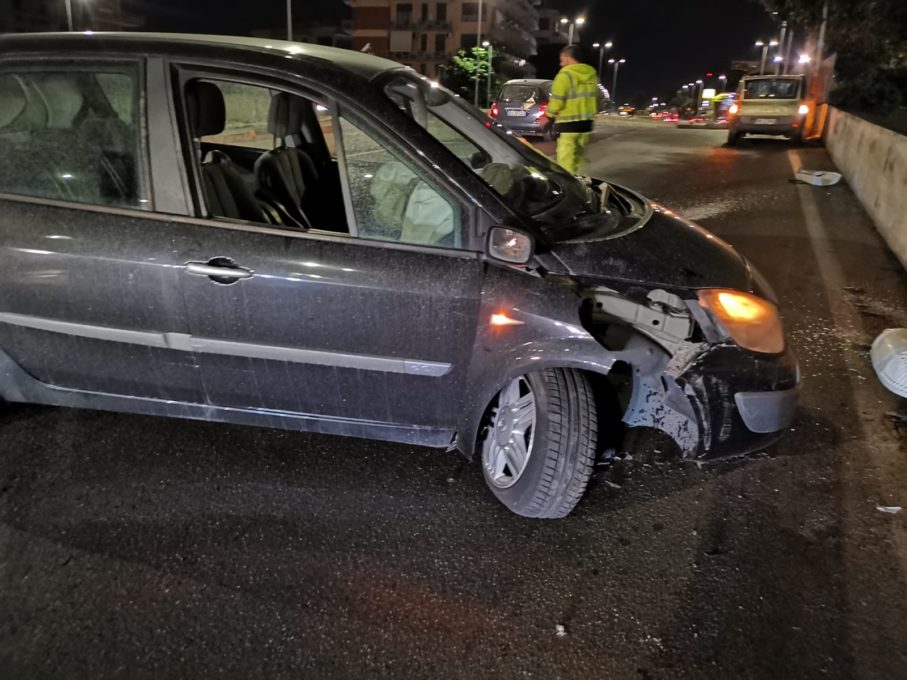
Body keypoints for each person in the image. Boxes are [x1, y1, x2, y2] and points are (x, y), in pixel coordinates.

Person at [543, 44, 600, 175]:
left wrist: (548, 117)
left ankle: (571, 189)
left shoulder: (565, 75)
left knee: (565, 163)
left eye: (562, 59)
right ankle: (580, 182)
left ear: (568, 57)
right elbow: (598, 96)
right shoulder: (592, 74)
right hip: (586, 126)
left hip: (568, 126)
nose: (561, 63)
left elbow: (557, 100)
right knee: (577, 160)